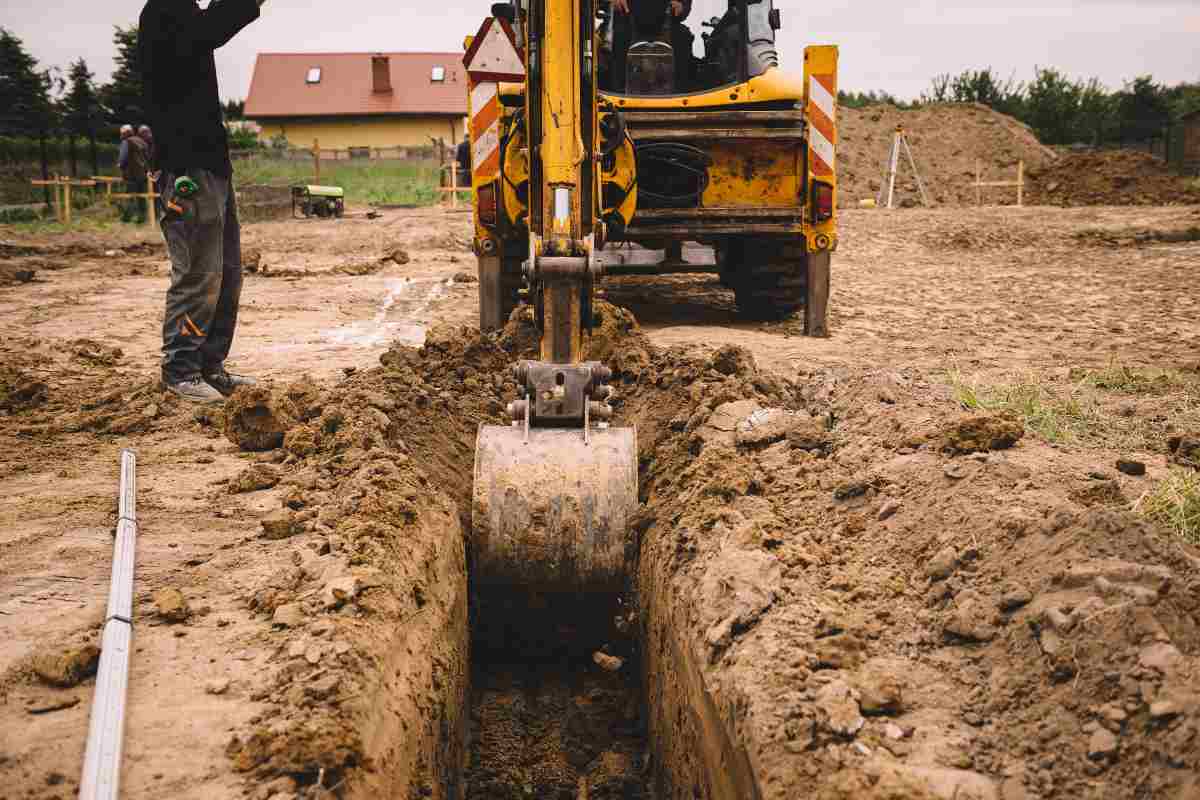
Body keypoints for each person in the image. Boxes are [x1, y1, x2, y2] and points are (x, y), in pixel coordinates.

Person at [139, 0, 265, 402]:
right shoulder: (164, 10)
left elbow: (210, 26)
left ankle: (209, 366)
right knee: (198, 273)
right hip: (186, 169)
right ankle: (180, 371)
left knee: (226, 274)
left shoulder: (184, 10)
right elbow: (211, 30)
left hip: (210, 165)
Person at [608, 0, 694, 93]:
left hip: (667, 20)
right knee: (618, 36)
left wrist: (682, 6)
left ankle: (682, 92)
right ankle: (618, 91)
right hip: (628, 19)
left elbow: (684, 6)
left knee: (683, 36)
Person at [117, 124, 150, 223]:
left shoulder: (127, 142)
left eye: (121, 133)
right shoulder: (142, 142)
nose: (120, 135)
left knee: (130, 195)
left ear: (124, 133)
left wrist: (120, 165)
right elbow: (147, 158)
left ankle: (127, 217)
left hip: (131, 173)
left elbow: (123, 157)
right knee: (141, 196)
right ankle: (142, 218)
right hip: (143, 174)